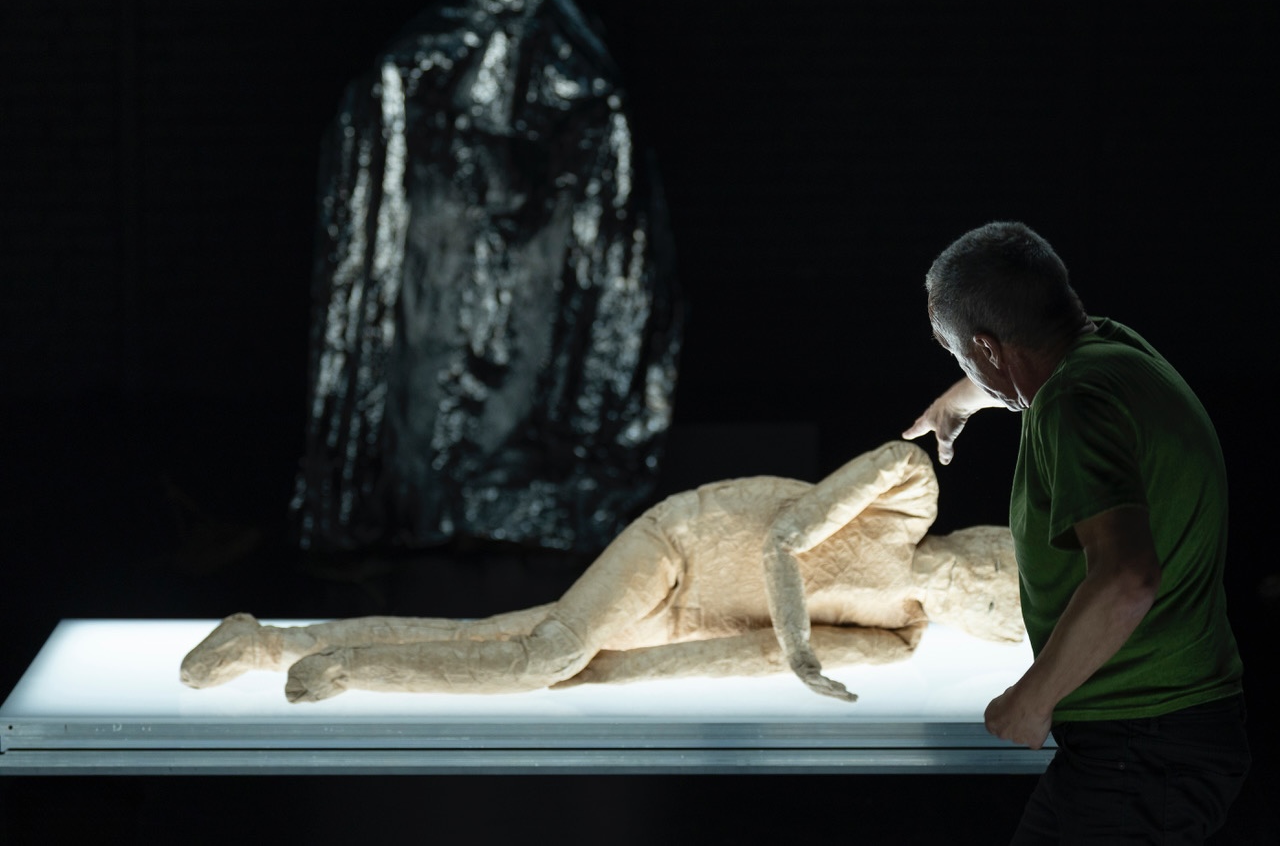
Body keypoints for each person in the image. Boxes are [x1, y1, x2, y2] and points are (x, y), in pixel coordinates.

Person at [180, 440, 1024, 702]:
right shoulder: (909, 487)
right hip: (682, 543)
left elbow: (755, 655)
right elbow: (785, 542)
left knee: (512, 643)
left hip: (683, 619)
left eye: (994, 608)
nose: (977, 587)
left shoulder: (897, 640)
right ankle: (343, 669)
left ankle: (264, 644)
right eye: (995, 568)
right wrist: (803, 647)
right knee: (540, 658)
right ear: (989, 537)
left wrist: (615, 673)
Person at [904, 221, 1249, 843]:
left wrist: (1033, 698)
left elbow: (1127, 577)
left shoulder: (1073, 402)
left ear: (987, 348)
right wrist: (961, 400)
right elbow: (1030, 369)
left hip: (1142, 745)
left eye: (961, 356)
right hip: (1153, 738)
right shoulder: (1114, 352)